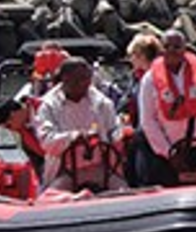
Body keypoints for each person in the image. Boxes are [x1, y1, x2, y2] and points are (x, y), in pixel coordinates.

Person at [139, 29, 196, 186]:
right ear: (161, 50)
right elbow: (148, 121)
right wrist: (167, 152)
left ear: (185, 48)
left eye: (177, 47)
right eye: (167, 47)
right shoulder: (149, 80)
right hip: (171, 151)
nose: (172, 51)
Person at [35, 56, 128, 192]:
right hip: (64, 171)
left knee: (122, 191)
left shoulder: (103, 103)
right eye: (79, 79)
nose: (85, 83)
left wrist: (121, 136)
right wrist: (74, 137)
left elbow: (113, 132)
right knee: (50, 197)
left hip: (100, 168)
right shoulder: (48, 106)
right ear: (65, 79)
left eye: (87, 78)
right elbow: (46, 141)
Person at [120, 32, 163, 185]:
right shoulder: (137, 77)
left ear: (141, 56)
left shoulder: (150, 78)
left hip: (147, 131)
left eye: (132, 55)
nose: (130, 59)